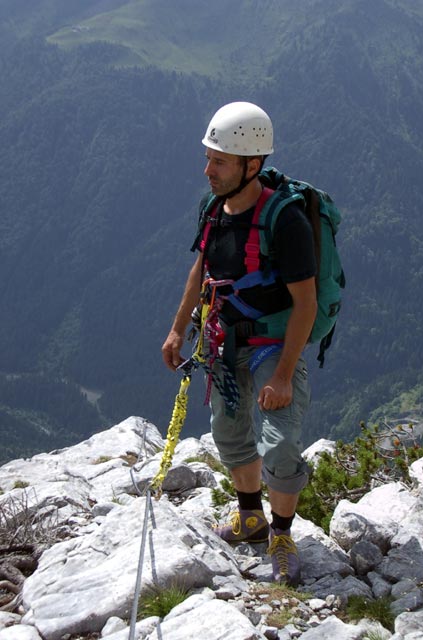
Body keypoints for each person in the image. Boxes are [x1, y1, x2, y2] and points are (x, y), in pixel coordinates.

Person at [162, 101, 317, 587]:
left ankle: (283, 535)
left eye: (219, 161)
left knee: (281, 442)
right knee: (229, 435)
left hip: (273, 346)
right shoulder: (214, 208)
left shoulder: (284, 221)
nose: (207, 170)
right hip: (225, 343)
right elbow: (200, 269)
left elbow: (306, 303)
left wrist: (285, 375)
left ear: (252, 165)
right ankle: (250, 517)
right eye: (208, 158)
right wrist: (177, 326)